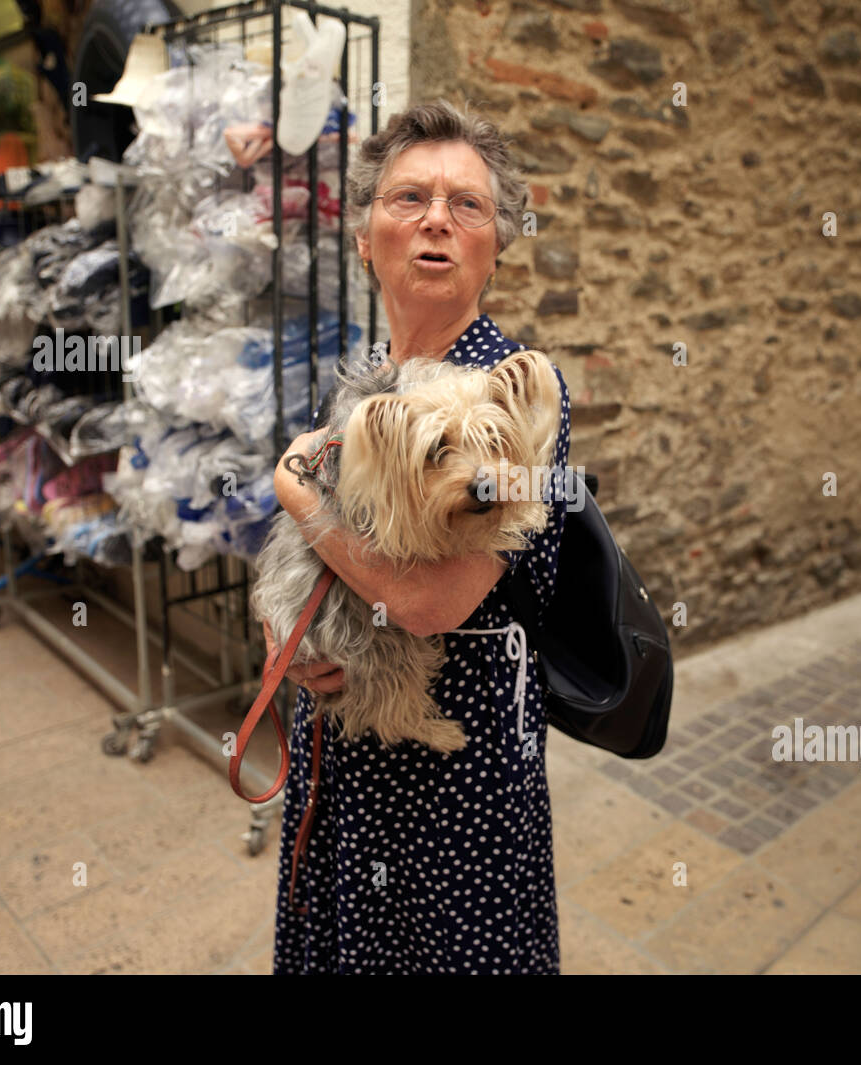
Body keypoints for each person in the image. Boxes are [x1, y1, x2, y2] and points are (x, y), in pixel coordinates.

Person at [267, 100, 572, 974]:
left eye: (467, 204)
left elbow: (431, 601)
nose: (437, 219)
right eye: (408, 199)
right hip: (342, 761)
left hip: (460, 781)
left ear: (498, 243)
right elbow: (306, 571)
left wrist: (298, 494)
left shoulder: (519, 396)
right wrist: (281, 638)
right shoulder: (360, 384)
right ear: (364, 237)